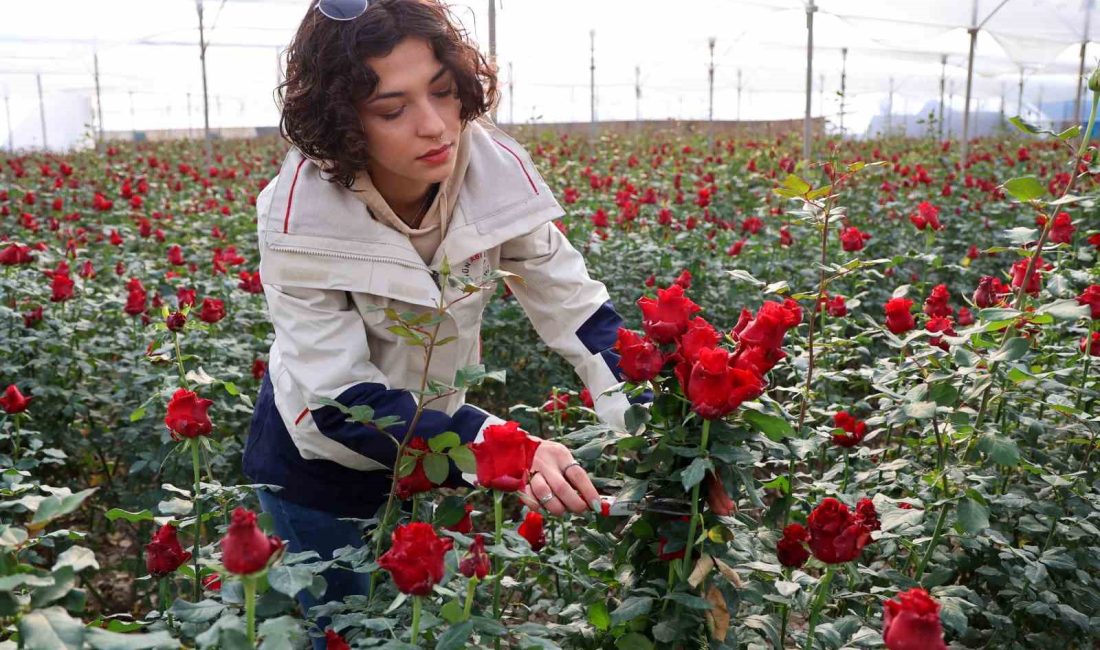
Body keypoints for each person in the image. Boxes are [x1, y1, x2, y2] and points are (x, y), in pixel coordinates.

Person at [243, 0, 640, 646]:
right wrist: (507, 450)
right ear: (344, 124)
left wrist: (655, 422)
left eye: (442, 92)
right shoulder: (299, 222)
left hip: (435, 448)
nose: (435, 127)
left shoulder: (488, 174)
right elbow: (344, 404)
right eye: (393, 109)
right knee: (347, 629)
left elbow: (578, 309)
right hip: (321, 471)